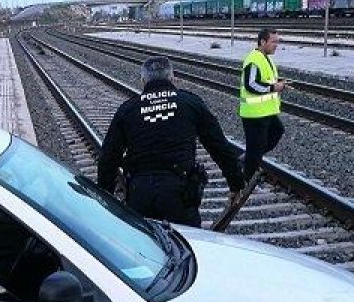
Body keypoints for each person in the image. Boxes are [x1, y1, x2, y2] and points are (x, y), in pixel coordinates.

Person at [97, 56, 244, 229]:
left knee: (142, 249)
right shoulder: (190, 103)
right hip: (179, 194)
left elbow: (108, 158)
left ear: (143, 81)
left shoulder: (128, 109)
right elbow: (219, 147)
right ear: (172, 78)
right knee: (187, 246)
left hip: (140, 193)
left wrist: (105, 196)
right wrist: (236, 184)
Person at [240, 28, 287, 182]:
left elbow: (265, 80)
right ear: (263, 42)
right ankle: (246, 181)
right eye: (273, 42)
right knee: (255, 149)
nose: (276, 45)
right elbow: (251, 85)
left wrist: (278, 82)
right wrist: (274, 87)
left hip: (265, 111)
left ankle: (249, 158)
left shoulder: (266, 58)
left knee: (277, 131)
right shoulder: (254, 59)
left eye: (277, 42)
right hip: (254, 114)